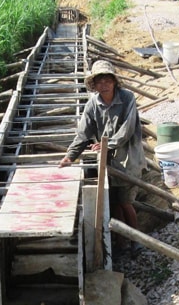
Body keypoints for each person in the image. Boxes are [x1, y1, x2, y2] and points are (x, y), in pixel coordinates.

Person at [58, 60, 146, 255]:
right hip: (107, 161)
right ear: (95, 85)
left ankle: (137, 240)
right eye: (100, 81)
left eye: (108, 80)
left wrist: (108, 144)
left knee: (125, 201)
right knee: (113, 203)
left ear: (114, 82)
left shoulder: (127, 98)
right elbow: (83, 134)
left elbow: (127, 129)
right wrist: (70, 157)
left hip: (127, 159)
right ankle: (121, 242)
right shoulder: (93, 104)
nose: (104, 84)